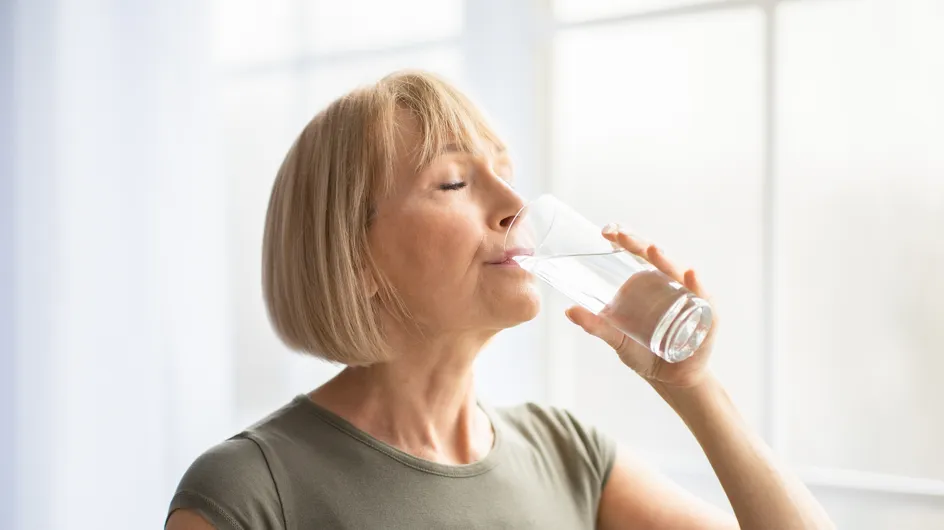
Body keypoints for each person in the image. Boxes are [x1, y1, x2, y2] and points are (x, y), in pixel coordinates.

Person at [166, 71, 834, 530]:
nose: (515, 206)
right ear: (355, 257)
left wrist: (694, 387)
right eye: (455, 182)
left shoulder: (568, 455)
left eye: (505, 173)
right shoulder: (251, 491)